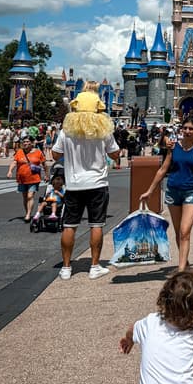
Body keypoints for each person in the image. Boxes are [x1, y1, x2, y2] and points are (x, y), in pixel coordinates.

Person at [52, 82, 120, 280]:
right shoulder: (103, 130)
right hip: (97, 183)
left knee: (69, 226)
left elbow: (55, 155)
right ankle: (95, 266)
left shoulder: (67, 131)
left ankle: (65, 268)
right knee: (96, 224)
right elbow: (115, 154)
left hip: (73, 184)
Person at [140, 116, 193, 272]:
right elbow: (163, 169)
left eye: (191, 129)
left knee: (185, 231)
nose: (187, 131)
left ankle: (180, 271)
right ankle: (185, 265)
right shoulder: (173, 147)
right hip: (173, 191)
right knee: (180, 232)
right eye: (185, 128)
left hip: (192, 191)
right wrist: (150, 190)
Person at [7, 136, 48, 222]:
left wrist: (47, 175)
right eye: (24, 142)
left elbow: (44, 165)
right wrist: (10, 171)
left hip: (34, 178)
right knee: (25, 197)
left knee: (30, 196)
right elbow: (14, 162)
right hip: (22, 179)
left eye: (27, 142)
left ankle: (29, 214)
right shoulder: (19, 152)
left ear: (32, 143)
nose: (25, 143)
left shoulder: (38, 152)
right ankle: (27, 213)